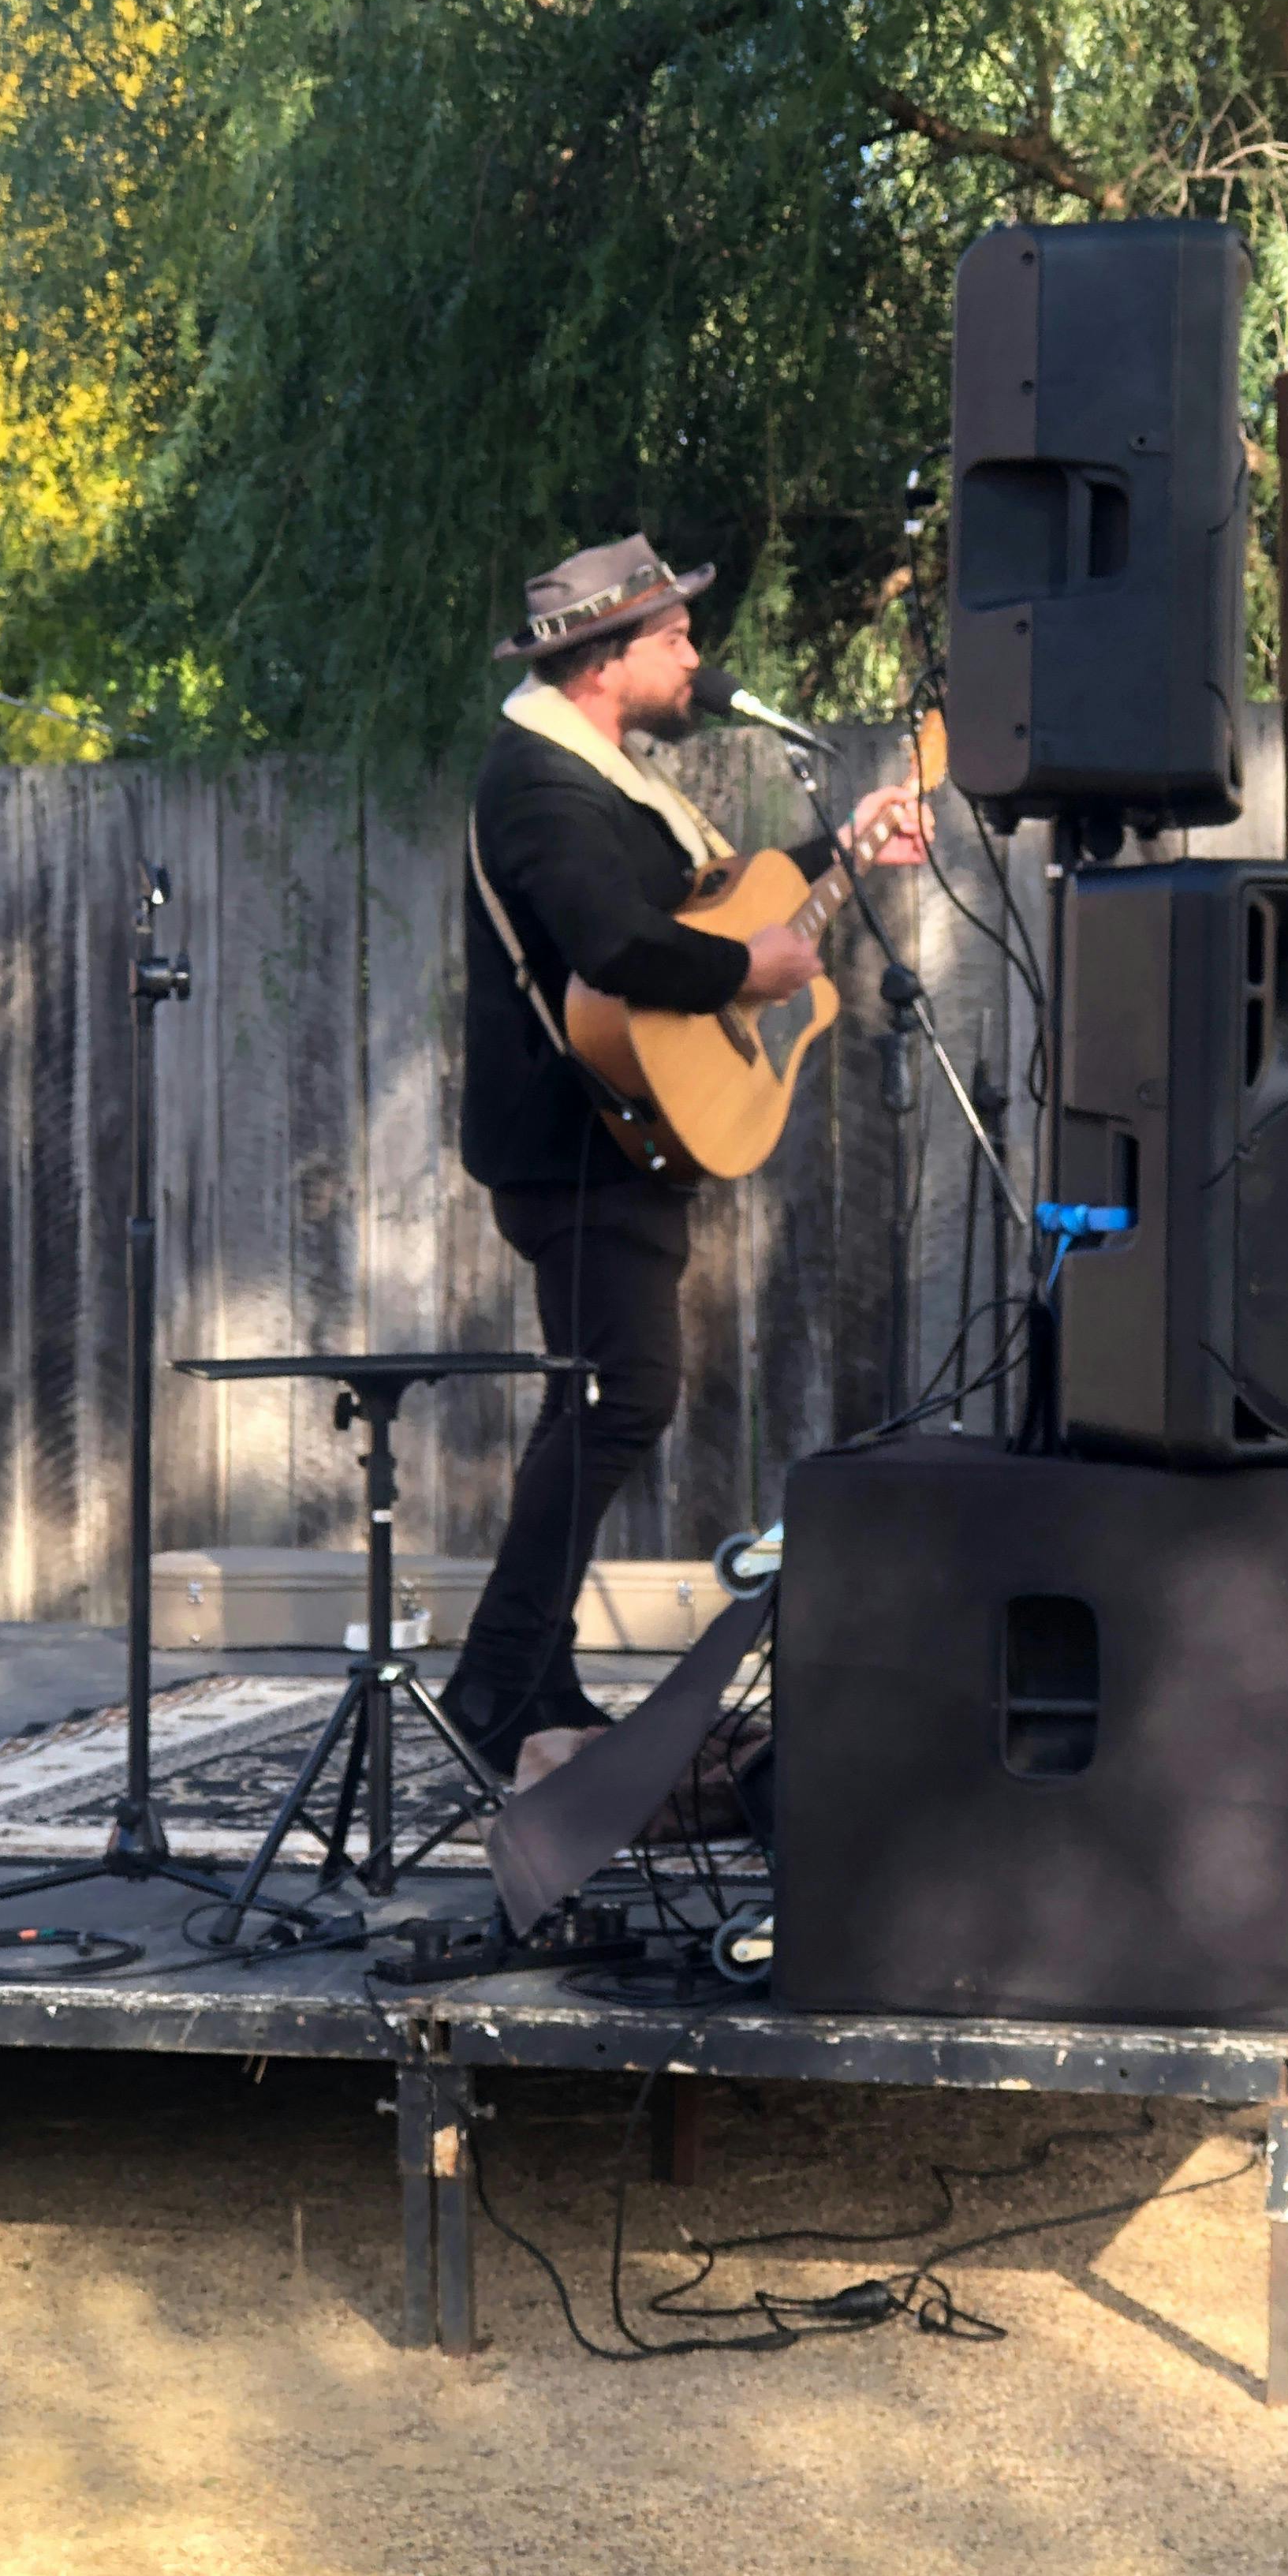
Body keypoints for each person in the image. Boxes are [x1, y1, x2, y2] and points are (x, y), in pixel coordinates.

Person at [446, 537, 924, 1777]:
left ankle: (524, 1679)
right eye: (676, 639)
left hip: (626, 1135)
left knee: (599, 1398)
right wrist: (742, 970)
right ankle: (495, 1681)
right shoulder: (541, 782)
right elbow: (616, 947)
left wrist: (847, 848)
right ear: (606, 661)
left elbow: (719, 911)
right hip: (575, 1142)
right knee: (625, 1395)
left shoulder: (608, 774)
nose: (695, 659)